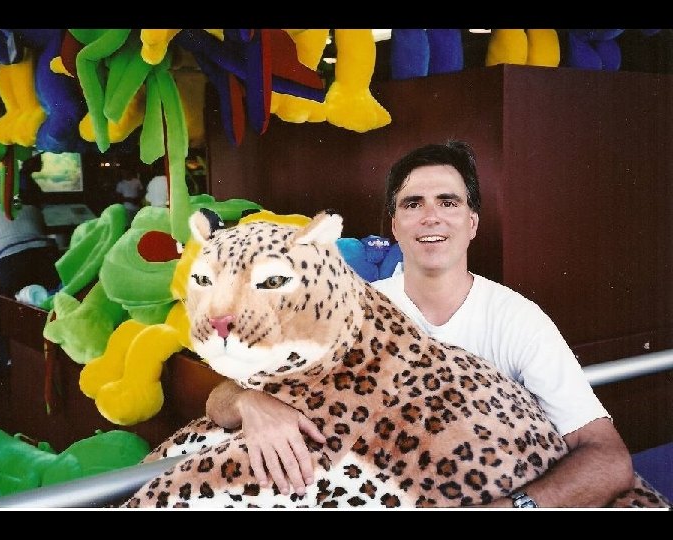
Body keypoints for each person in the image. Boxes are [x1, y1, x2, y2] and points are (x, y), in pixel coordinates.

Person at [204, 140, 634, 506]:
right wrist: (250, 403)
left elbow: (609, 457)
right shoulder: (352, 311)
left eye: (448, 202)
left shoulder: (517, 320)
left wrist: (513, 508)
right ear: (395, 226)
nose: (431, 217)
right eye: (413, 204)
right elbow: (220, 397)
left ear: (472, 223)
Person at [0, 182, 59, 297]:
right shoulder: (32, 209)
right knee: (50, 297)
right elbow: (42, 232)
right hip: (44, 255)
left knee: (16, 302)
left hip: (12, 262)